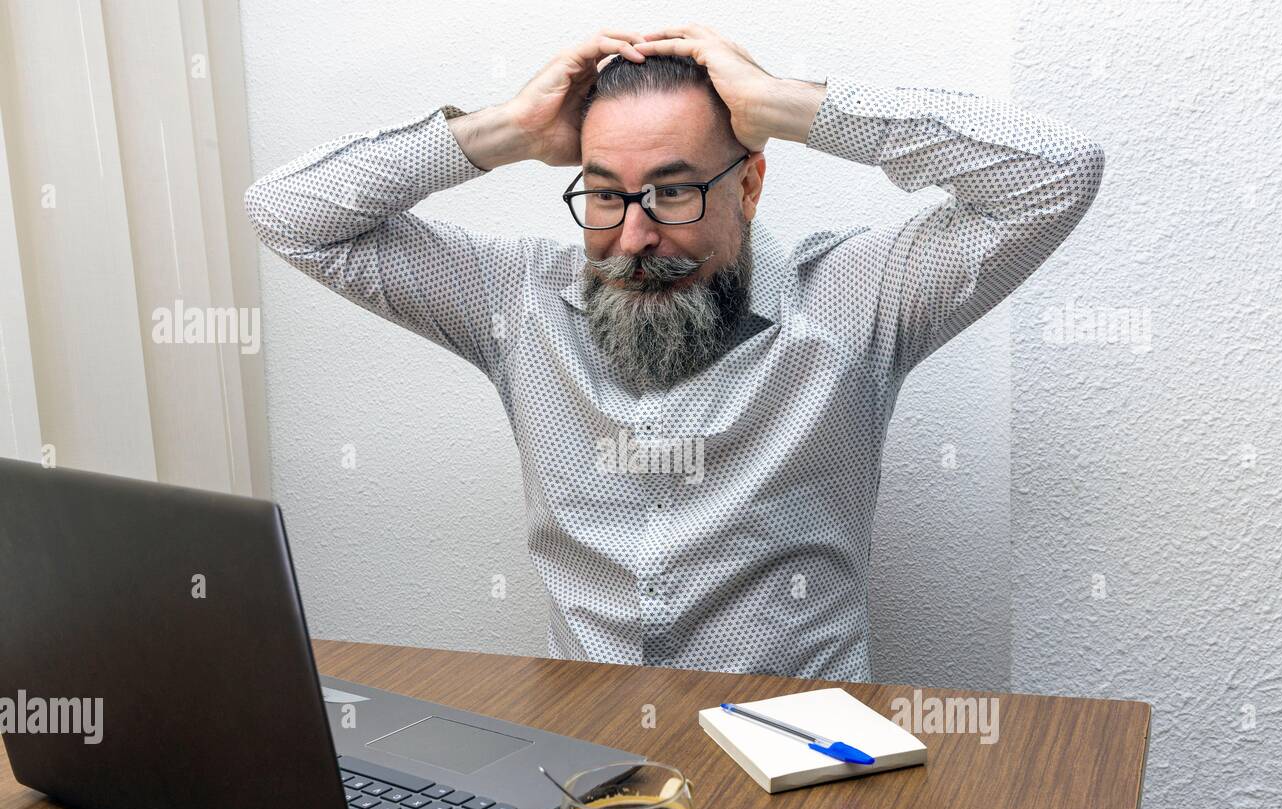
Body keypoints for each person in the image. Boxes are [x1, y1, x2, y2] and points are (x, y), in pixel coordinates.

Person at [244, 24, 1104, 682]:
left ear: (751, 182)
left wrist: (793, 106)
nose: (635, 235)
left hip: (800, 769)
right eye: (607, 194)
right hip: (588, 777)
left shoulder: (853, 300)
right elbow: (288, 214)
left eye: (674, 190)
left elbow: (1056, 175)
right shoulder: (517, 303)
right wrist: (503, 130)